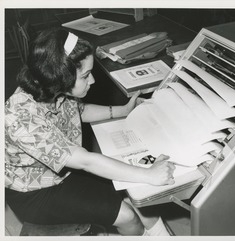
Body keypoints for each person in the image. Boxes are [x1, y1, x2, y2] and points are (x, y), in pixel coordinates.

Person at [5, 28, 176, 236]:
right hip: (35, 192)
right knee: (127, 215)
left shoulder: (50, 84)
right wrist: (149, 174)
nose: (93, 80)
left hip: (63, 171)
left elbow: (79, 110)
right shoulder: (21, 118)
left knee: (134, 192)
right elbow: (85, 161)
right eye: (86, 75)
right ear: (61, 76)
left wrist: (122, 111)